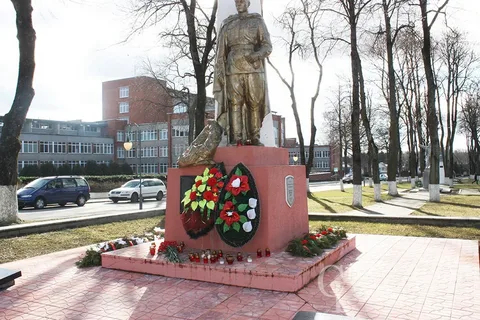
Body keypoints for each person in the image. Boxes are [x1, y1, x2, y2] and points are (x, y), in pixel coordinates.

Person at [213, 0, 272, 146]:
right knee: (235, 103)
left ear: (248, 2)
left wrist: (256, 55)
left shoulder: (257, 21)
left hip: (253, 67)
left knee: (254, 102)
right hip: (232, 68)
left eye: (242, 1)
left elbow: (267, 46)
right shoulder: (228, 24)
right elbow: (221, 52)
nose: (239, 3)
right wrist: (219, 71)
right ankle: (236, 138)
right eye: (237, 1)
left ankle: (255, 137)